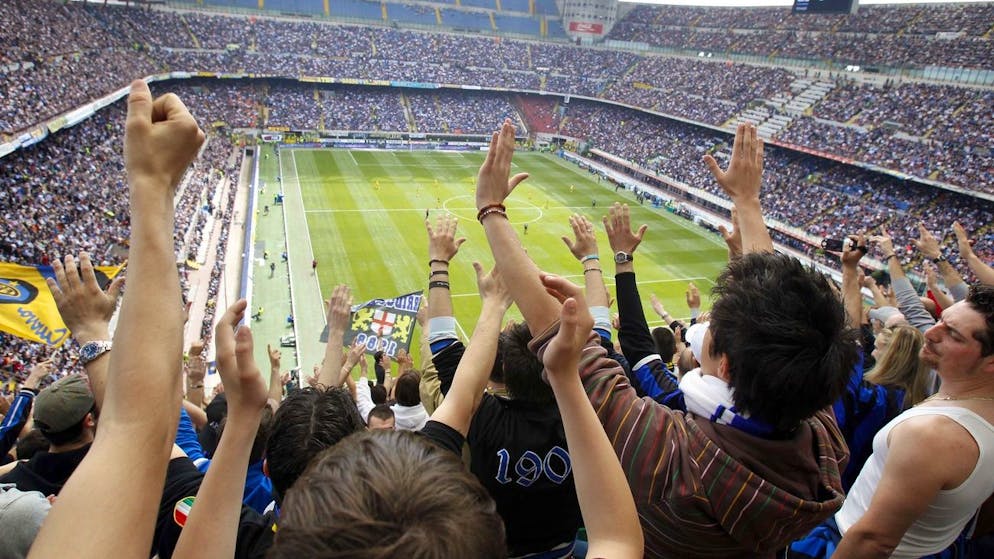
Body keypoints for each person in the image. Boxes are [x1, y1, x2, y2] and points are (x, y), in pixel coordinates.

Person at [475, 120, 856, 557]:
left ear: (725, 366)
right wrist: (747, 203)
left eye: (713, 329)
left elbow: (562, 343)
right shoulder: (823, 440)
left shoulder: (672, 456)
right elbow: (793, 324)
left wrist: (490, 208)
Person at [792, 285, 994, 559]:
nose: (931, 333)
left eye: (953, 335)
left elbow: (874, 540)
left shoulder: (936, 434)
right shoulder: (969, 410)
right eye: (940, 321)